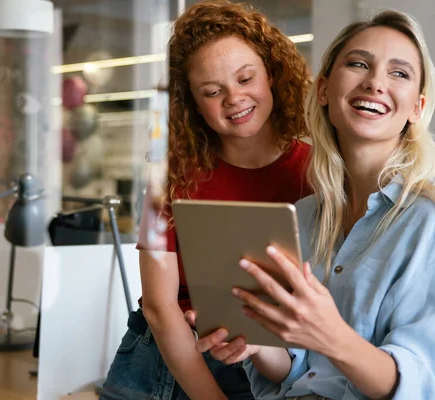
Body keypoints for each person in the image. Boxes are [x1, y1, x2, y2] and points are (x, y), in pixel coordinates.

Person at [189, 9, 435, 400]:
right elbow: (298, 371)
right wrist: (260, 341)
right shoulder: (305, 216)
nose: (375, 82)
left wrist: (331, 334)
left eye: (399, 73)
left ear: (417, 109)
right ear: (323, 90)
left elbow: (423, 387)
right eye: (359, 64)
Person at [98, 1, 312, 399]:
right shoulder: (166, 177)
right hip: (162, 358)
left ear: (271, 73)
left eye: (246, 78)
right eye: (213, 91)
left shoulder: (317, 174)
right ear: (192, 104)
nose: (234, 98)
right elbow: (160, 310)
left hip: (271, 362)